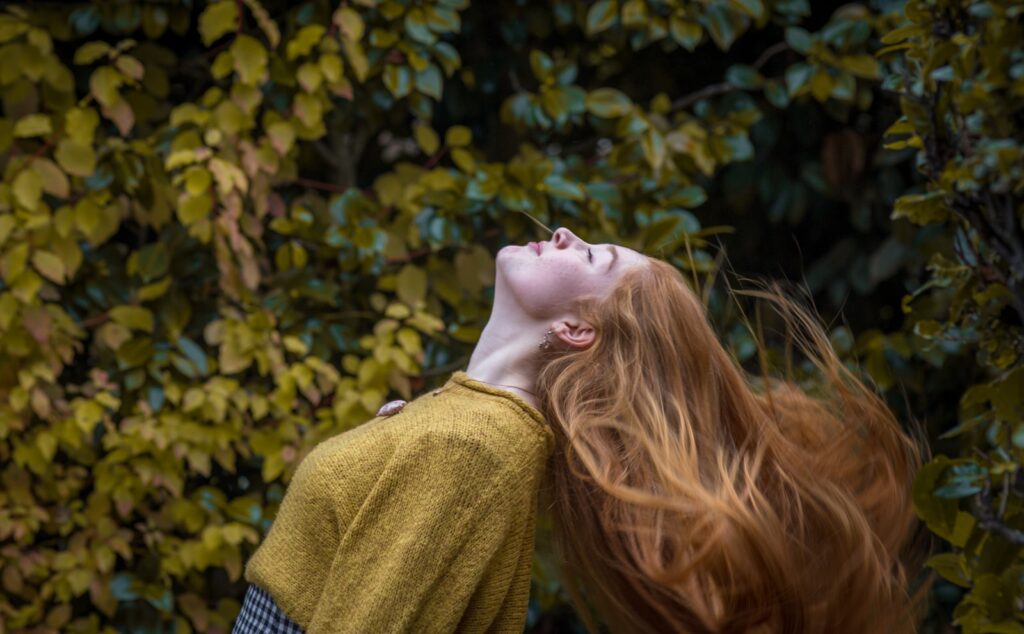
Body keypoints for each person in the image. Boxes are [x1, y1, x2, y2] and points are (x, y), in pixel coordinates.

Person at [234, 226, 931, 633]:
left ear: (575, 328)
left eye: (593, 257)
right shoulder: (468, 428)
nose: (567, 232)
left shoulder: (470, 447)